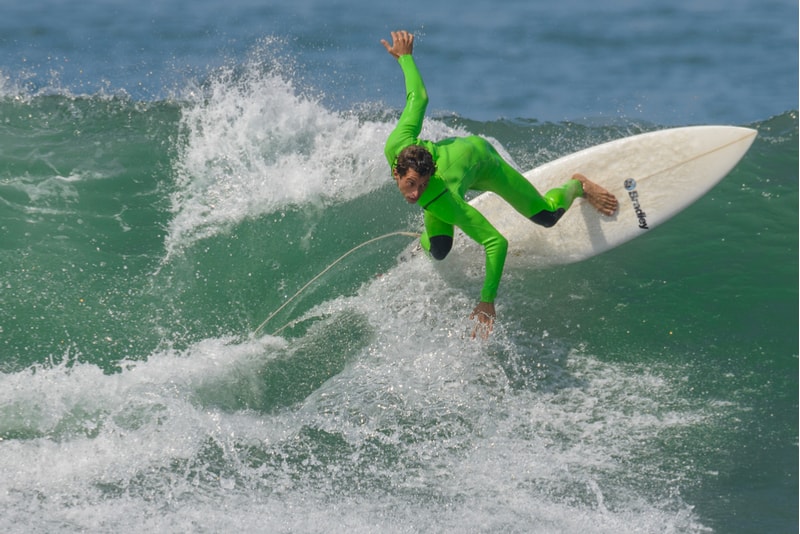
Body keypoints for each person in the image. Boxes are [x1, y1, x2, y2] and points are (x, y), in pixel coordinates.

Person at [381, 30, 618, 339]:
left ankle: (578, 185)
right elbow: (419, 98)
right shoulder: (397, 145)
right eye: (411, 184)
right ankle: (424, 240)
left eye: (421, 186)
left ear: (430, 177)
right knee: (439, 249)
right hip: (452, 172)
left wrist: (487, 300)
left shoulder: (441, 198)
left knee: (546, 216)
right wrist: (406, 59)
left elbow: (496, 243)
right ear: (397, 171)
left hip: (484, 163)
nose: (414, 194)